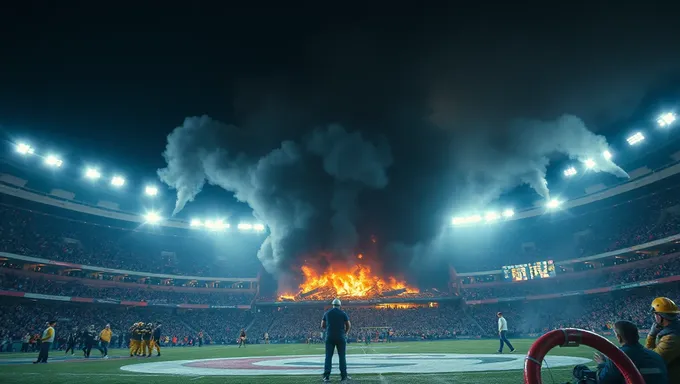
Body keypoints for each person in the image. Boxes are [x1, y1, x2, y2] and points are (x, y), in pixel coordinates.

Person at [590, 320, 668, 384]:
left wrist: (602, 364)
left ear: (619, 337)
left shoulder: (618, 356)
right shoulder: (656, 356)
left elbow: (603, 380)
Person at [646, 297, 680, 382]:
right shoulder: (675, 330)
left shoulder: (671, 339)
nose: (654, 317)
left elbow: (651, 360)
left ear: (660, 316)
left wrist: (651, 335)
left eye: (655, 314)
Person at [321, 298, 351, 382]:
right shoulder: (343, 313)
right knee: (342, 357)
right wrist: (345, 333)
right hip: (340, 337)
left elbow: (322, 325)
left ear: (333, 305)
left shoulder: (327, 313)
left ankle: (326, 376)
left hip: (330, 337)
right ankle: (343, 376)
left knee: (328, 357)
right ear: (340, 305)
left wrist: (327, 330)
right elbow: (348, 325)